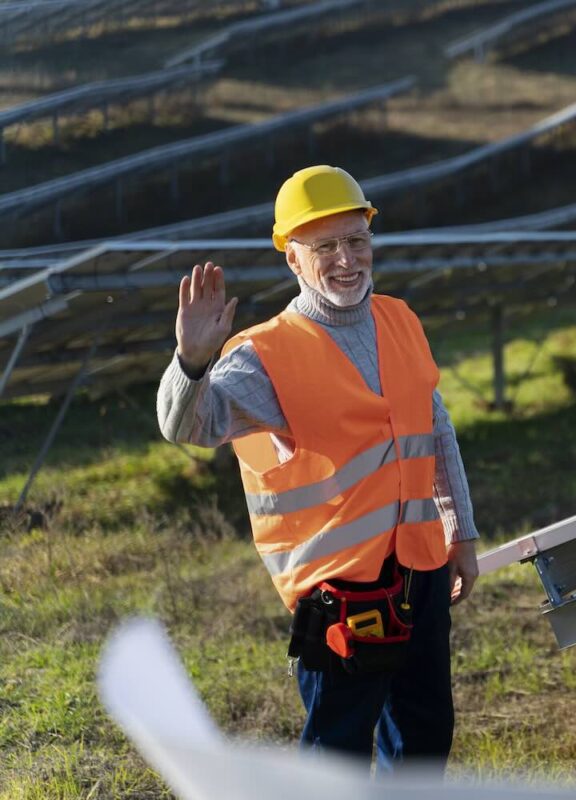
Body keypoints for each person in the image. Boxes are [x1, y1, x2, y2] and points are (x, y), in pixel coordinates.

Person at [156, 165, 480, 774]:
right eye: (324, 247)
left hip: (422, 568)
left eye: (356, 241)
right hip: (341, 594)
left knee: (425, 740)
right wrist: (191, 362)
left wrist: (459, 530)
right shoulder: (265, 354)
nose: (346, 260)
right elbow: (188, 428)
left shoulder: (400, 320)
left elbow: (435, 430)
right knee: (337, 757)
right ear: (294, 261)